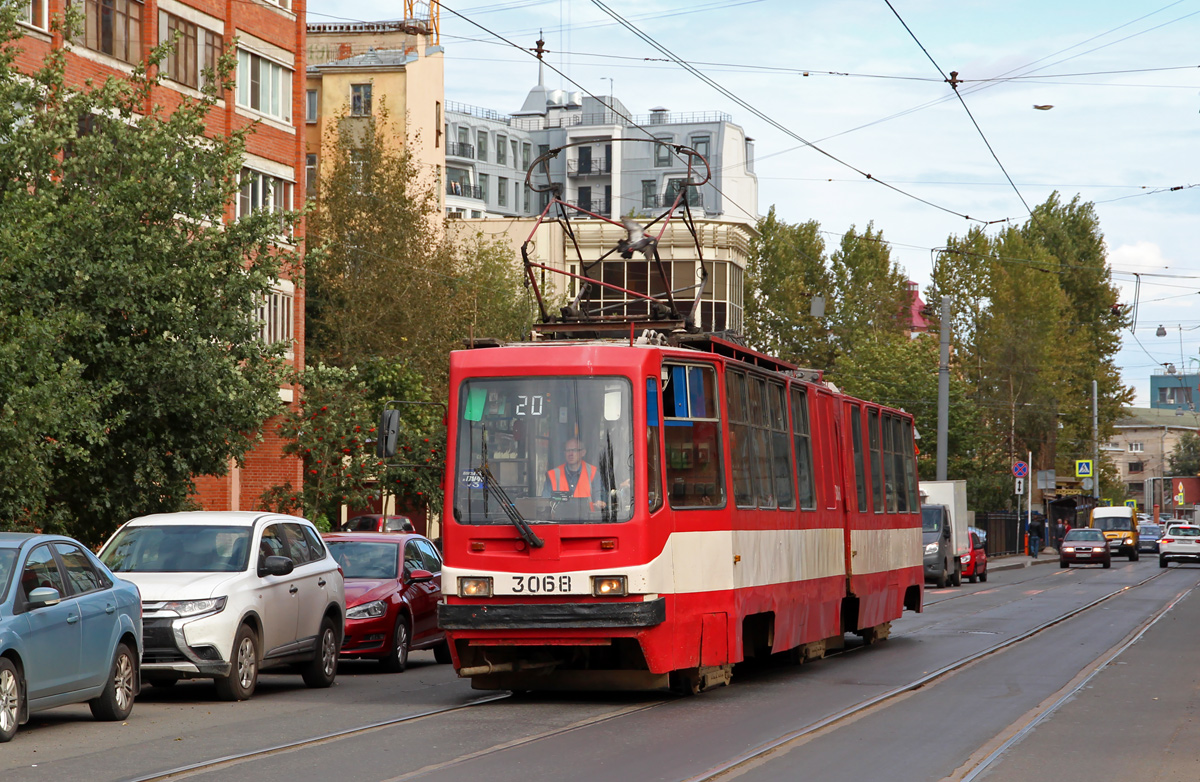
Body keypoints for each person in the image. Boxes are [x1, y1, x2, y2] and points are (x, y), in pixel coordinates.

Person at [544, 438, 608, 510]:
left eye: (574, 450)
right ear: (564, 453)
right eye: (568, 450)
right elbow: (544, 502)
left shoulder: (594, 474)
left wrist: (599, 502)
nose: (571, 454)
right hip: (558, 520)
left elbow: (599, 498)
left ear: (583, 452)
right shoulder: (553, 475)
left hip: (587, 520)